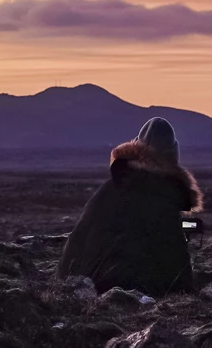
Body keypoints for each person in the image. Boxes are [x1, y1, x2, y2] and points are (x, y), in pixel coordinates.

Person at [58, 117, 202, 297]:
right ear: (172, 157)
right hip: (133, 292)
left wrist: (66, 288)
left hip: (87, 286)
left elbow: (75, 243)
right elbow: (175, 263)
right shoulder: (162, 199)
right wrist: (190, 294)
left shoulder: (108, 190)